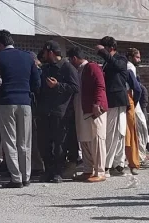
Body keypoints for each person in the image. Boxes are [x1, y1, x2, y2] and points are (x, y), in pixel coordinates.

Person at [0, 30, 40, 188]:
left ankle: (16, 178)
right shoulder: (28, 57)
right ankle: (26, 177)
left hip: (5, 102)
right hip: (25, 102)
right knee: (25, 141)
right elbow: (36, 83)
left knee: (9, 141)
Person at [36, 41, 80, 183]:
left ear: (51, 52)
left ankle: (57, 172)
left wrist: (58, 86)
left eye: (44, 52)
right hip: (44, 111)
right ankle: (48, 170)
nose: (43, 55)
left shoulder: (67, 67)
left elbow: (75, 87)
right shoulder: (46, 68)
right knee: (44, 143)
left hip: (60, 112)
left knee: (59, 144)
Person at [71, 47, 108, 183]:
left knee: (97, 139)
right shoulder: (79, 71)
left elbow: (100, 85)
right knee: (85, 140)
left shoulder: (92, 67)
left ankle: (100, 171)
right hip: (83, 109)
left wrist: (97, 103)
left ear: (74, 58)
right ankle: (88, 170)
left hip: (94, 110)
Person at [96, 36, 130, 176]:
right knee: (115, 133)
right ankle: (117, 164)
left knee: (114, 133)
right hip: (111, 100)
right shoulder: (107, 62)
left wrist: (103, 52)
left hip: (117, 100)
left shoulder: (121, 59)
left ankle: (108, 165)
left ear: (110, 48)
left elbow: (118, 65)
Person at [125, 48, 149, 169]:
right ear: (130, 57)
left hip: (134, 103)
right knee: (139, 130)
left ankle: (138, 157)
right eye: (137, 57)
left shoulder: (130, 67)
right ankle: (138, 158)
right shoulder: (130, 67)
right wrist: (134, 103)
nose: (139, 60)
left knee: (140, 130)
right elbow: (136, 88)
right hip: (132, 102)